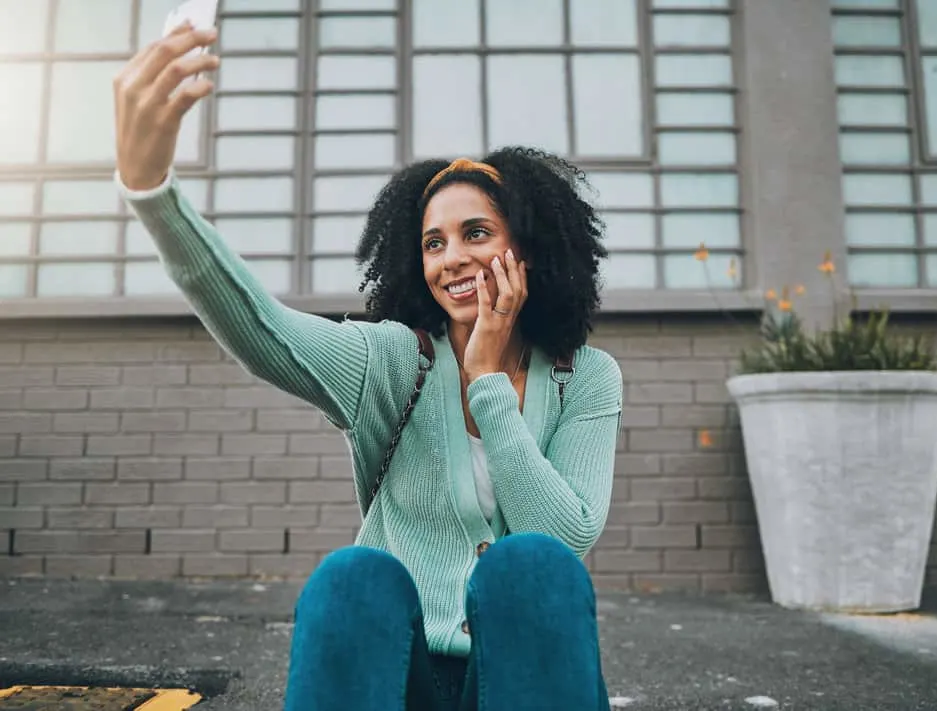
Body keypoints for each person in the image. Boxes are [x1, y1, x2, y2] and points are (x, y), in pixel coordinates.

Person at [112, 22, 623, 711]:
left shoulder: (585, 377)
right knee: (353, 575)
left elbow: (563, 540)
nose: (452, 259)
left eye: (477, 233)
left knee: (530, 566)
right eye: (434, 243)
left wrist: (490, 384)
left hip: (518, 682)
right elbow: (261, 326)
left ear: (528, 251)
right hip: (401, 678)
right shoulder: (392, 360)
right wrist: (153, 191)